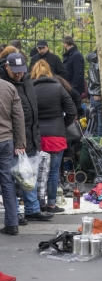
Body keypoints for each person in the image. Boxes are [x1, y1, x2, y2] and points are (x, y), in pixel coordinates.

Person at [0, 53, 49, 223]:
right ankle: (16, 214)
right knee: (11, 177)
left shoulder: (26, 79)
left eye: (21, 71)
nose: (19, 74)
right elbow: (16, 115)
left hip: (29, 133)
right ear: (6, 67)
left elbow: (30, 107)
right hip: (13, 137)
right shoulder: (6, 84)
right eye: (15, 71)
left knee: (29, 174)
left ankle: (32, 208)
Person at [30, 59, 76, 214]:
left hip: (37, 137)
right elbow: (71, 111)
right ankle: (51, 204)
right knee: (53, 172)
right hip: (56, 137)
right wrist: (61, 126)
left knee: (36, 171)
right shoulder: (58, 88)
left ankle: (39, 203)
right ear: (49, 71)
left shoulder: (30, 89)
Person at [0, 72, 26, 235]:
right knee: (7, 182)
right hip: (6, 140)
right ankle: (12, 223)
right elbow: (18, 117)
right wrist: (20, 143)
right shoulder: (9, 87)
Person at [86, 51, 102, 137]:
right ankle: (99, 146)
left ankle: (93, 144)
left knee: (94, 124)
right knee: (101, 126)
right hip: (99, 96)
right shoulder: (100, 65)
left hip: (93, 95)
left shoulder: (92, 62)